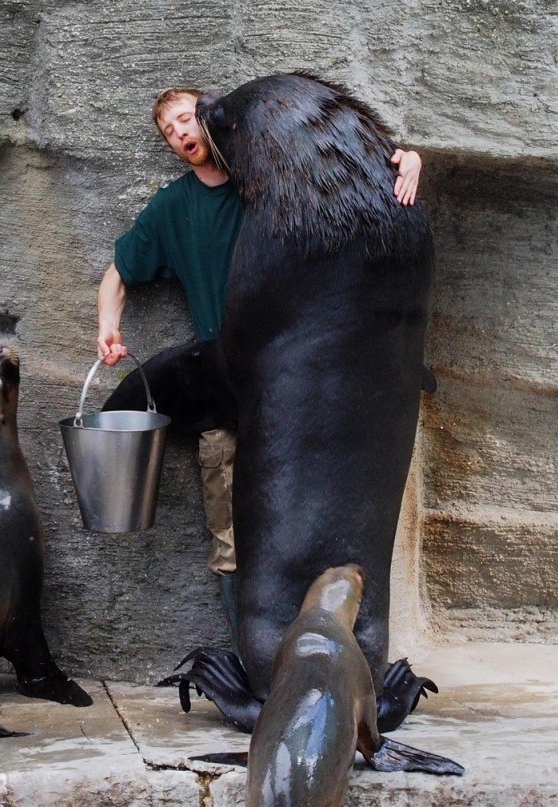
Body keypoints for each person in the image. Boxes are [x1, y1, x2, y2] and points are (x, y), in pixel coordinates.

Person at [96, 86, 423, 654]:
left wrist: (408, 156)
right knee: (232, 532)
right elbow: (119, 272)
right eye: (170, 132)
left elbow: (371, 188)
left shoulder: (266, 191)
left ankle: (330, 659)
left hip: (303, 395)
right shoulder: (175, 208)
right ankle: (257, 654)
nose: (182, 133)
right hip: (229, 376)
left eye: (187, 119)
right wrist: (109, 326)